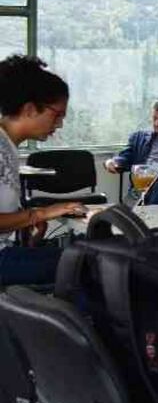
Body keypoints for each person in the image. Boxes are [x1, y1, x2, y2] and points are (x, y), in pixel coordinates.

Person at [0, 55, 85, 286]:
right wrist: (41, 213)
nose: (59, 125)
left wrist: (27, 223)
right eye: (57, 115)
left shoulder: (7, 146)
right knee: (89, 265)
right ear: (29, 109)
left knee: (87, 258)